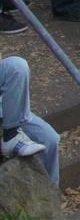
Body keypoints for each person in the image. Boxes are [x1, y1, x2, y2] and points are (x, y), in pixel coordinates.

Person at [0, 55, 60, 183]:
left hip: (5, 108)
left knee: (49, 139)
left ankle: (51, 191)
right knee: (15, 65)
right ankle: (11, 135)